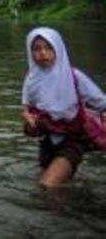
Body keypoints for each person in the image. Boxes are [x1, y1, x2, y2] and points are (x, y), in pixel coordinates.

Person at [21, 27, 106, 188]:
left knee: (47, 185)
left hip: (73, 139)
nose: (43, 53)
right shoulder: (31, 78)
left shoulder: (73, 76)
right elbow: (27, 107)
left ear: (58, 49)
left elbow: (101, 102)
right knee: (53, 188)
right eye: (37, 49)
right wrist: (27, 118)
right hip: (46, 140)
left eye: (48, 48)